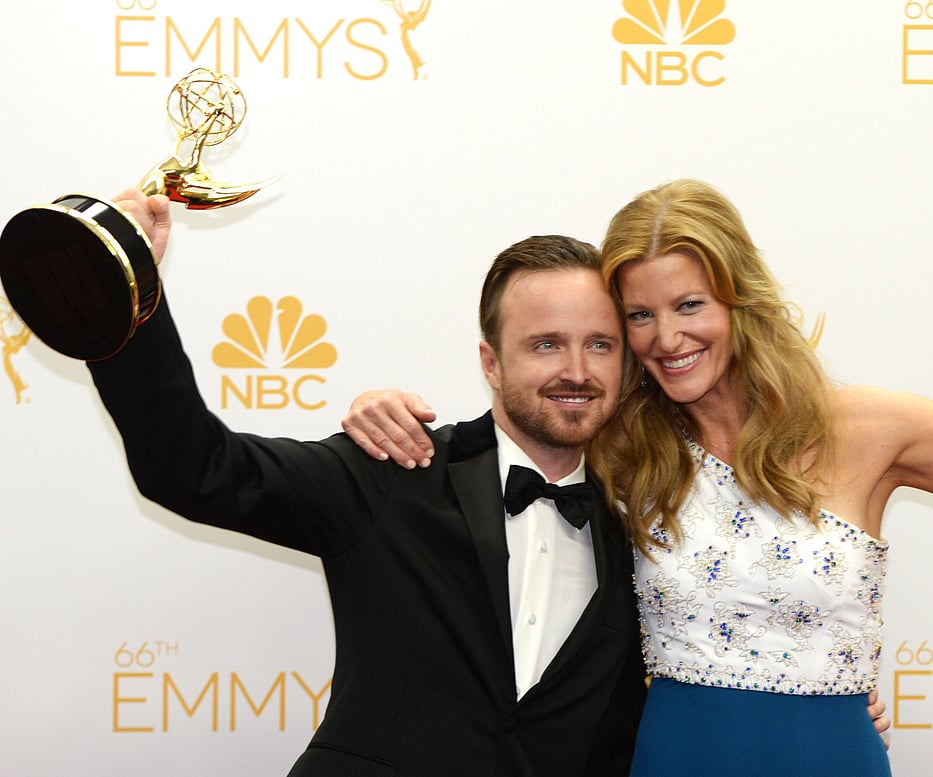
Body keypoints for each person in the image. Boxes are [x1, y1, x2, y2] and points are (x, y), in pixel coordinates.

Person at [341, 178, 933, 776]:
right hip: (673, 755)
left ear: (740, 299)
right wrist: (377, 408)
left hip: (832, 755)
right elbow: (510, 439)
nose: (666, 337)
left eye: (690, 305)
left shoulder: (867, 427)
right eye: (638, 315)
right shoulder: (627, 445)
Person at [87, 189, 648, 776]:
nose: (577, 371)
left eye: (600, 345)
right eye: (546, 344)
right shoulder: (395, 467)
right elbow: (194, 470)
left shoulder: (644, 529)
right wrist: (126, 289)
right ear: (491, 362)